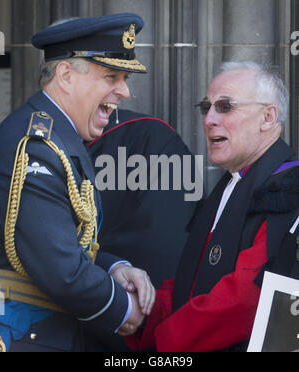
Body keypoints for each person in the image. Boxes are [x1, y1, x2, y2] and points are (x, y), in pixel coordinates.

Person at [0, 14, 155, 352]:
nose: (124, 91)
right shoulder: (37, 146)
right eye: (111, 76)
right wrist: (123, 308)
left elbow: (60, 239)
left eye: (125, 78)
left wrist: (112, 268)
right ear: (66, 76)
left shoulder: (58, 137)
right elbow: (59, 267)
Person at [125, 61, 299, 352]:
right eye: (206, 107)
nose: (208, 120)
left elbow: (246, 298)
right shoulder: (230, 184)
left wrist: (162, 339)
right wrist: (141, 311)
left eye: (226, 107)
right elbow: (191, 282)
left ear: (268, 117)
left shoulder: (288, 189)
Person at [87, 109, 198, 350]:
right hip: (130, 313)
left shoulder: (149, 135)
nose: (123, 90)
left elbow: (165, 240)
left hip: (137, 315)